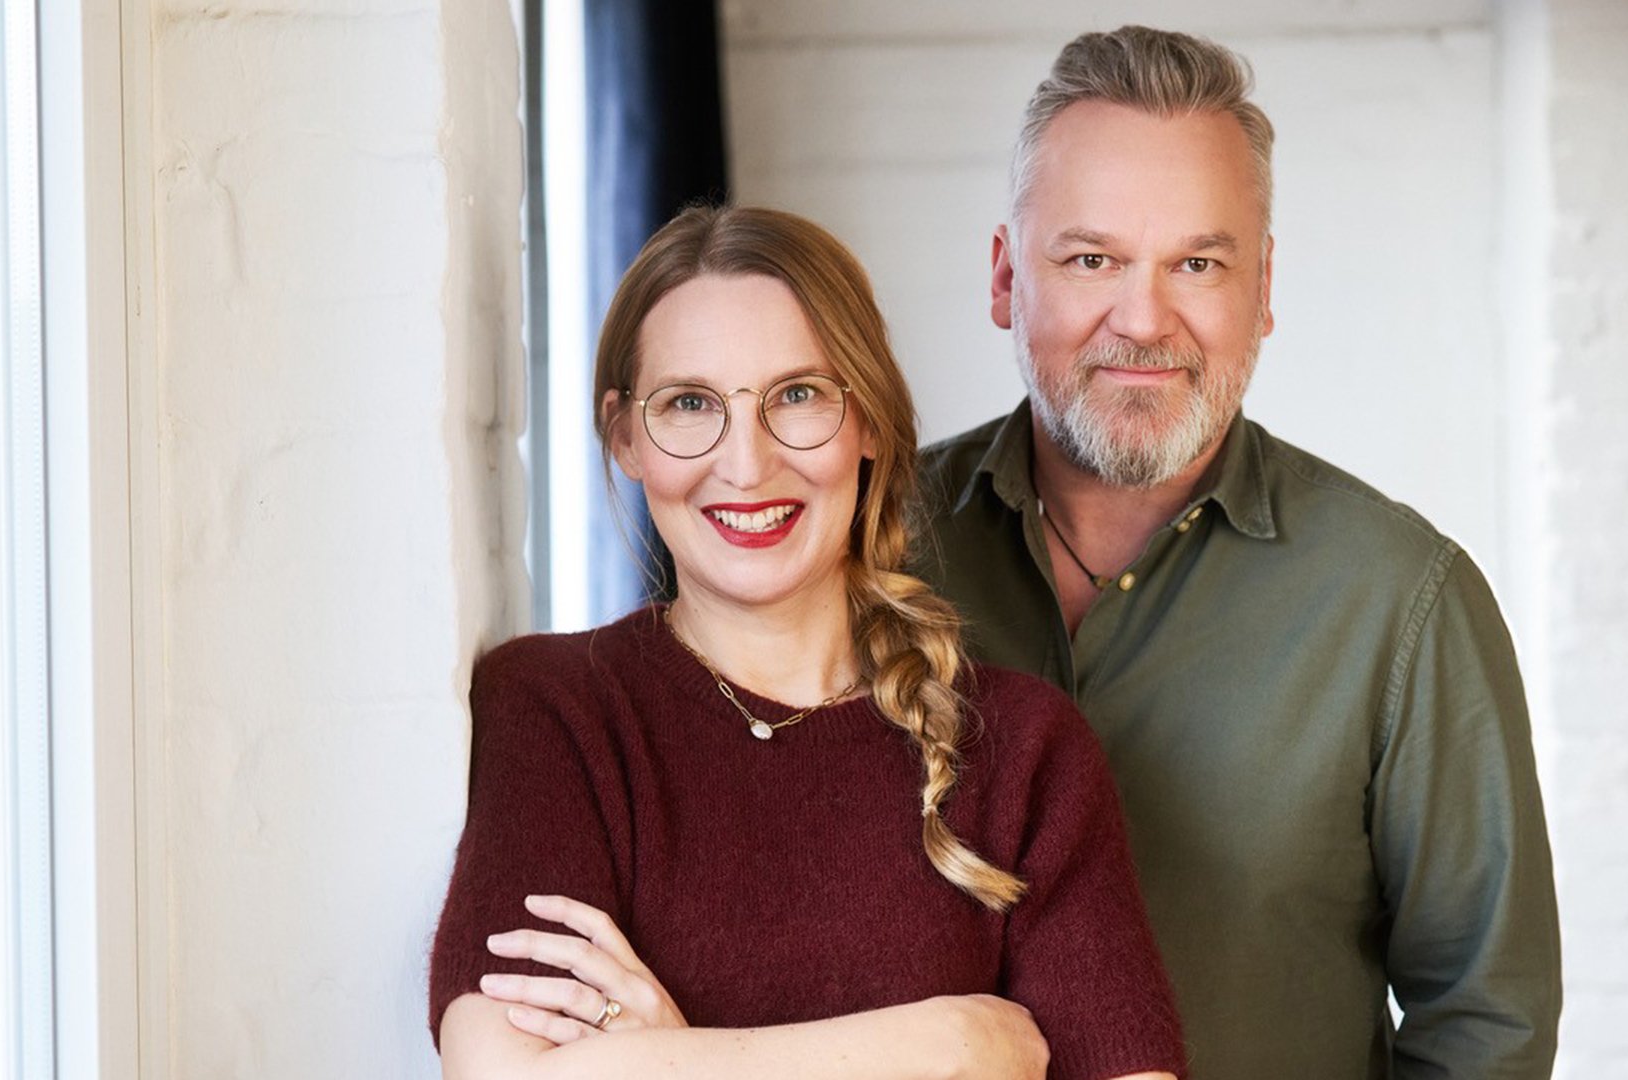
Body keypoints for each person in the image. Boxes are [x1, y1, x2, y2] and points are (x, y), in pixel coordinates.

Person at [916, 26, 1563, 1079]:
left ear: (1261, 290)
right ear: (1004, 277)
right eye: (1092, 259)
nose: (1143, 317)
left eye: (1198, 264)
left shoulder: (1401, 602)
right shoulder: (870, 553)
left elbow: (1487, 1019)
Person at [427, 205, 1186, 1080]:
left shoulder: (1023, 751)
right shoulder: (557, 706)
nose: (746, 464)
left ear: (866, 422)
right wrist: (948, 1046)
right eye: (688, 404)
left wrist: (666, 1062)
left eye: (797, 395)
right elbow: (503, 1073)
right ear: (625, 436)